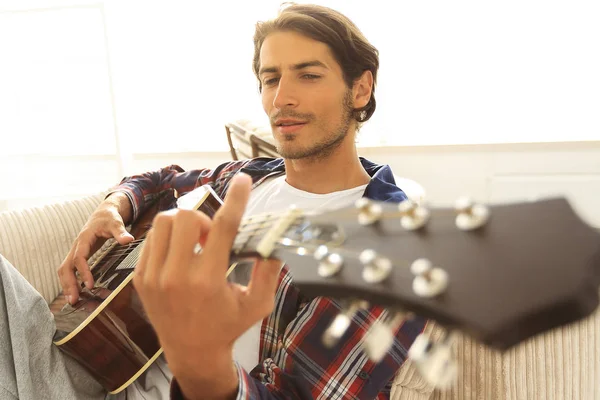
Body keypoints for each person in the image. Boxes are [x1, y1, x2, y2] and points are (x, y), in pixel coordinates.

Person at [0, 3, 427, 399]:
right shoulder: (249, 178)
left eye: (308, 75)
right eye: (271, 79)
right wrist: (114, 206)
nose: (281, 99)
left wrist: (201, 359)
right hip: (79, 365)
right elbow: (158, 181)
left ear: (360, 89)